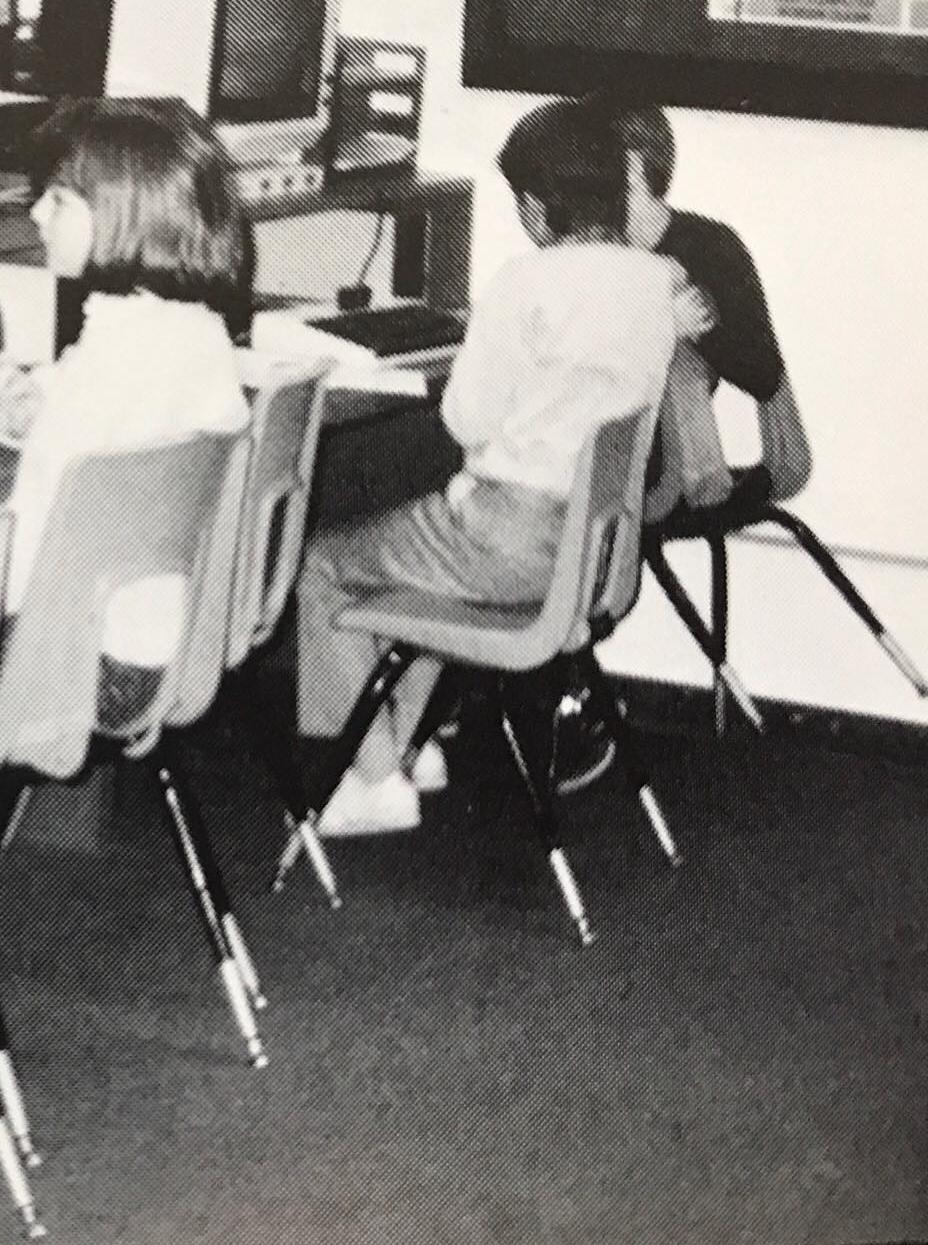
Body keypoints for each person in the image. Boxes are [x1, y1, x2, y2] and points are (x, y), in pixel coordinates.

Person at [292, 98, 678, 835]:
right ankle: (400, 749)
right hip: (590, 554)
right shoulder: (655, 283)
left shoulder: (522, 284)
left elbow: (463, 419)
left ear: (535, 209)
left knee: (322, 565)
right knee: (426, 564)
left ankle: (371, 779)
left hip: (505, 542)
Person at [0, 97, 253, 724]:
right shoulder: (200, 332)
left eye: (56, 200)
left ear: (119, 214)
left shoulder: (107, 367)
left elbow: (17, 571)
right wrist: (45, 408)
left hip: (75, 661)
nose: (35, 213)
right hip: (167, 645)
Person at [586, 91, 787, 515]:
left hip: (659, 464)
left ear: (633, 166)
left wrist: (696, 327)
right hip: (589, 446)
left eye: (591, 162)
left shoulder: (710, 246)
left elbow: (763, 374)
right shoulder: (589, 243)